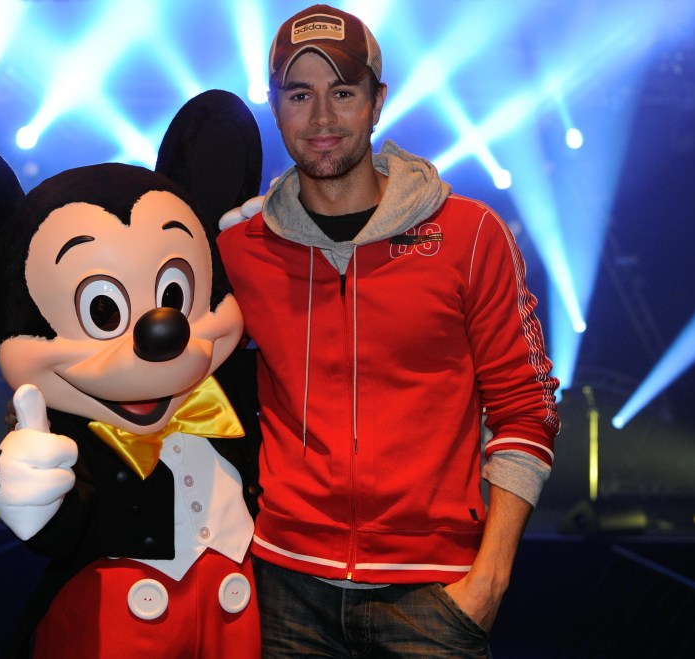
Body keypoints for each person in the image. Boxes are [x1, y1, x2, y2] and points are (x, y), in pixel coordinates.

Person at [216, 5, 560, 657]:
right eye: (299, 94)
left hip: (433, 595)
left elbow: (526, 409)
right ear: (274, 105)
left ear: (378, 101)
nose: (321, 118)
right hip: (283, 589)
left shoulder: (468, 235)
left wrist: (488, 581)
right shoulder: (243, 246)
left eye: (343, 92)